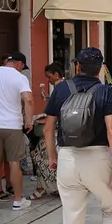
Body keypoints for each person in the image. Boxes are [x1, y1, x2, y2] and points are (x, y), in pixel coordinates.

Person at [43, 48, 112, 224]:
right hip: (97, 158)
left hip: (68, 158)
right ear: (100, 68)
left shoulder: (60, 89)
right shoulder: (104, 91)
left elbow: (49, 127)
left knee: (72, 223)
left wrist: (52, 157)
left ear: (77, 65)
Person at [0, 52, 34, 211]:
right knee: (14, 162)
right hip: (13, 126)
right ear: (20, 64)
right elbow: (28, 99)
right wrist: (29, 120)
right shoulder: (19, 77)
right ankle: (18, 200)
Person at [29, 62, 64, 200]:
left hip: (55, 131)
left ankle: (42, 188)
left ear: (56, 75)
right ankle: (53, 187)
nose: (47, 80)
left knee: (39, 155)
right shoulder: (64, 87)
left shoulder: (59, 88)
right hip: (61, 130)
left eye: (49, 77)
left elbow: (56, 114)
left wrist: (42, 121)